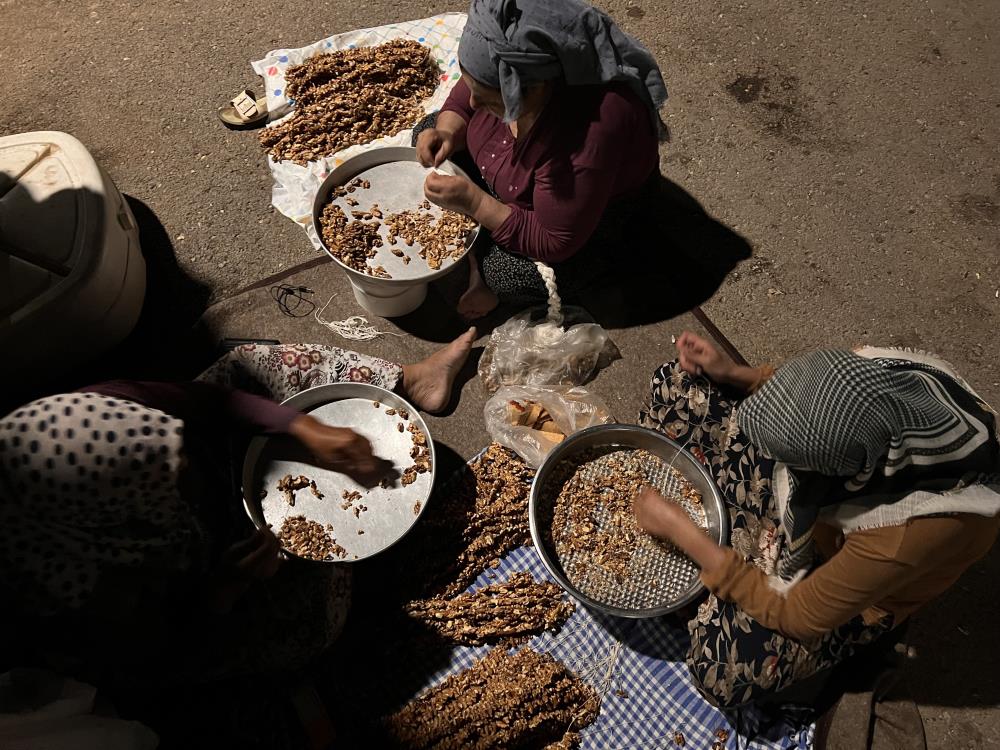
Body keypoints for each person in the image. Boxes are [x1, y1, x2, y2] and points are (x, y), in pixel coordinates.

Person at [0, 329, 476, 747]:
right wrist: (228, 585)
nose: (185, 466)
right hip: (186, 601)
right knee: (311, 623)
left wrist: (302, 428)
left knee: (250, 365)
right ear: (112, 517)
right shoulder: (68, 584)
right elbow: (163, 649)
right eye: (172, 479)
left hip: (202, 487)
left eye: (177, 454)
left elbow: (210, 403)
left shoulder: (85, 416)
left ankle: (413, 380)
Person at [632, 332, 1000, 708]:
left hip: (851, 581)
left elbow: (798, 616)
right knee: (678, 382)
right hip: (837, 486)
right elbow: (812, 401)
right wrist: (734, 373)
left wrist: (687, 536)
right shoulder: (881, 375)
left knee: (718, 670)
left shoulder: (904, 533)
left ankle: (757, 552)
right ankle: (757, 534)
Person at [415, 0, 667, 319]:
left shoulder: (586, 133)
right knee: (428, 131)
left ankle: (484, 264)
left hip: (586, 222)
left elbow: (553, 239)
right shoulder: (509, 66)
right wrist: (448, 132)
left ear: (532, 90)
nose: (475, 102)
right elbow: (465, 99)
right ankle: (487, 231)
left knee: (504, 275)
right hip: (518, 178)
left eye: (489, 97)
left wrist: (474, 203)